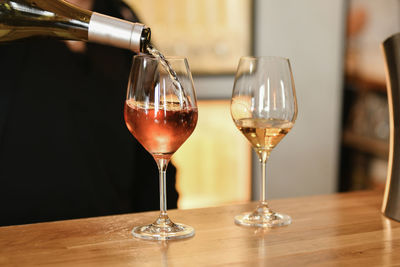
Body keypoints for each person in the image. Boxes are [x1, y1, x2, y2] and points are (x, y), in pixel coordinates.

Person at [0, 0, 178, 226]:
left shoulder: (121, 20)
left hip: (112, 242)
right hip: (17, 244)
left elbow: (150, 158)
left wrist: (163, 234)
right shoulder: (13, 16)